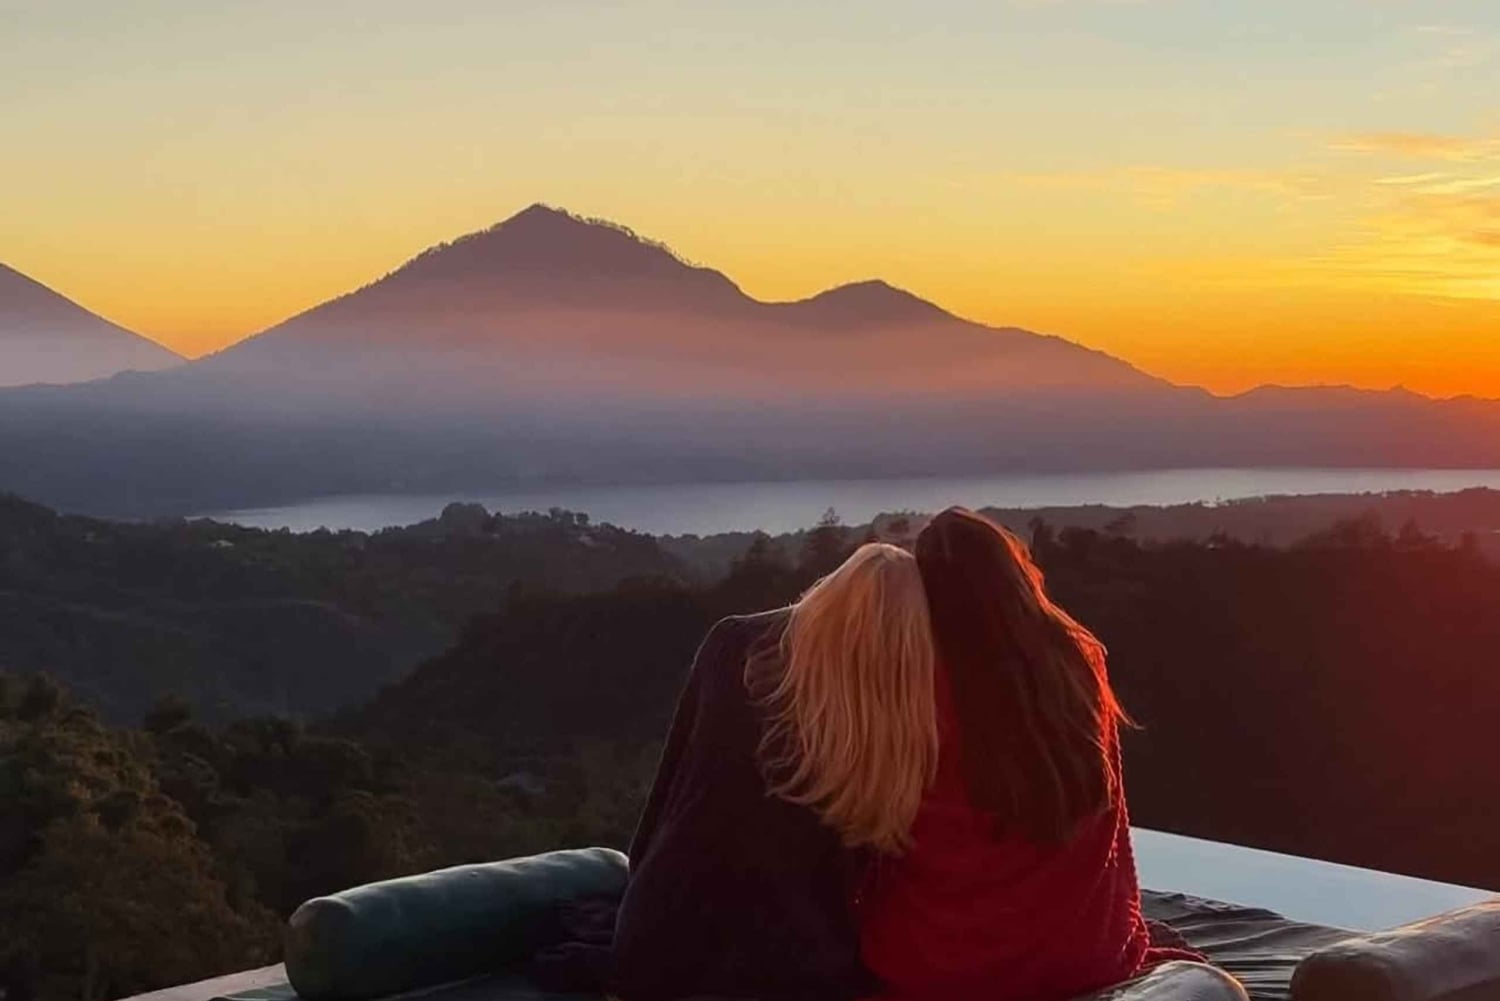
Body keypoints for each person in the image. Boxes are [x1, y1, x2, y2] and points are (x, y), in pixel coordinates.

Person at [858, 507, 1202, 1001]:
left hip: (936, 967)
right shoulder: (1079, 660)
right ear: (1016, 573)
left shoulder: (907, 682)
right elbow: (1109, 821)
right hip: (1083, 958)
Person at [610, 543, 937, 1001]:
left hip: (665, 938)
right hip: (798, 966)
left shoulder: (736, 645)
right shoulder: (895, 727)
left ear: (829, 591)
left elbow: (673, 786)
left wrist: (636, 895)